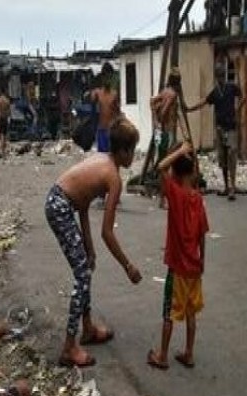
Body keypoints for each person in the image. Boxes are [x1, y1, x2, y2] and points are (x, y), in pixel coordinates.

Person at [45, 118, 143, 367]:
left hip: (59, 202)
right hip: (60, 207)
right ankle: (69, 346)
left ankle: (87, 328)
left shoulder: (102, 159)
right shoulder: (114, 178)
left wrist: (89, 248)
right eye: (132, 150)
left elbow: (83, 203)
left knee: (85, 267)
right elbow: (107, 233)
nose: (133, 156)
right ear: (124, 151)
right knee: (82, 275)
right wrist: (128, 266)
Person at [146, 141, 209, 370]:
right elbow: (202, 234)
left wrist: (180, 152)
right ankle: (189, 353)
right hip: (194, 266)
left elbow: (160, 167)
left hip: (177, 267)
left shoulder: (176, 194)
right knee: (191, 312)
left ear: (176, 172)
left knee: (169, 313)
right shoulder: (197, 199)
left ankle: (162, 355)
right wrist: (202, 260)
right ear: (193, 172)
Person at [187, 63, 245, 200]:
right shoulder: (215, 92)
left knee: (231, 155)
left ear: (224, 75)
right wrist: (190, 109)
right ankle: (226, 186)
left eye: (222, 75)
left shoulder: (231, 87)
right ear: (216, 77)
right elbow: (204, 102)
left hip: (230, 127)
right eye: (218, 76)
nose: (220, 78)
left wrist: (237, 110)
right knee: (223, 158)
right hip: (220, 128)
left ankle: (232, 187)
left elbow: (243, 96)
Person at [151, 68, 183, 208]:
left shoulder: (164, 92)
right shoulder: (173, 95)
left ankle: (163, 198)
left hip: (160, 132)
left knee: (162, 164)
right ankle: (164, 199)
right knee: (166, 166)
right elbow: (164, 111)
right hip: (167, 132)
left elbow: (152, 101)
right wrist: (161, 120)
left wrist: (155, 121)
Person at [90, 64, 120, 153]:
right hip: (101, 130)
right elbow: (92, 109)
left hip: (112, 130)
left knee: (112, 155)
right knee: (102, 156)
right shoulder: (97, 93)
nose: (107, 79)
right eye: (105, 76)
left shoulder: (114, 94)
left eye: (109, 77)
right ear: (102, 78)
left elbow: (117, 112)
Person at [0, 91, 12, 157]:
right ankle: (4, 151)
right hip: (6, 118)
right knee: (4, 135)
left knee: (1, 135)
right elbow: (9, 112)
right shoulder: (7, 101)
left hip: (1, 118)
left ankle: (2, 151)